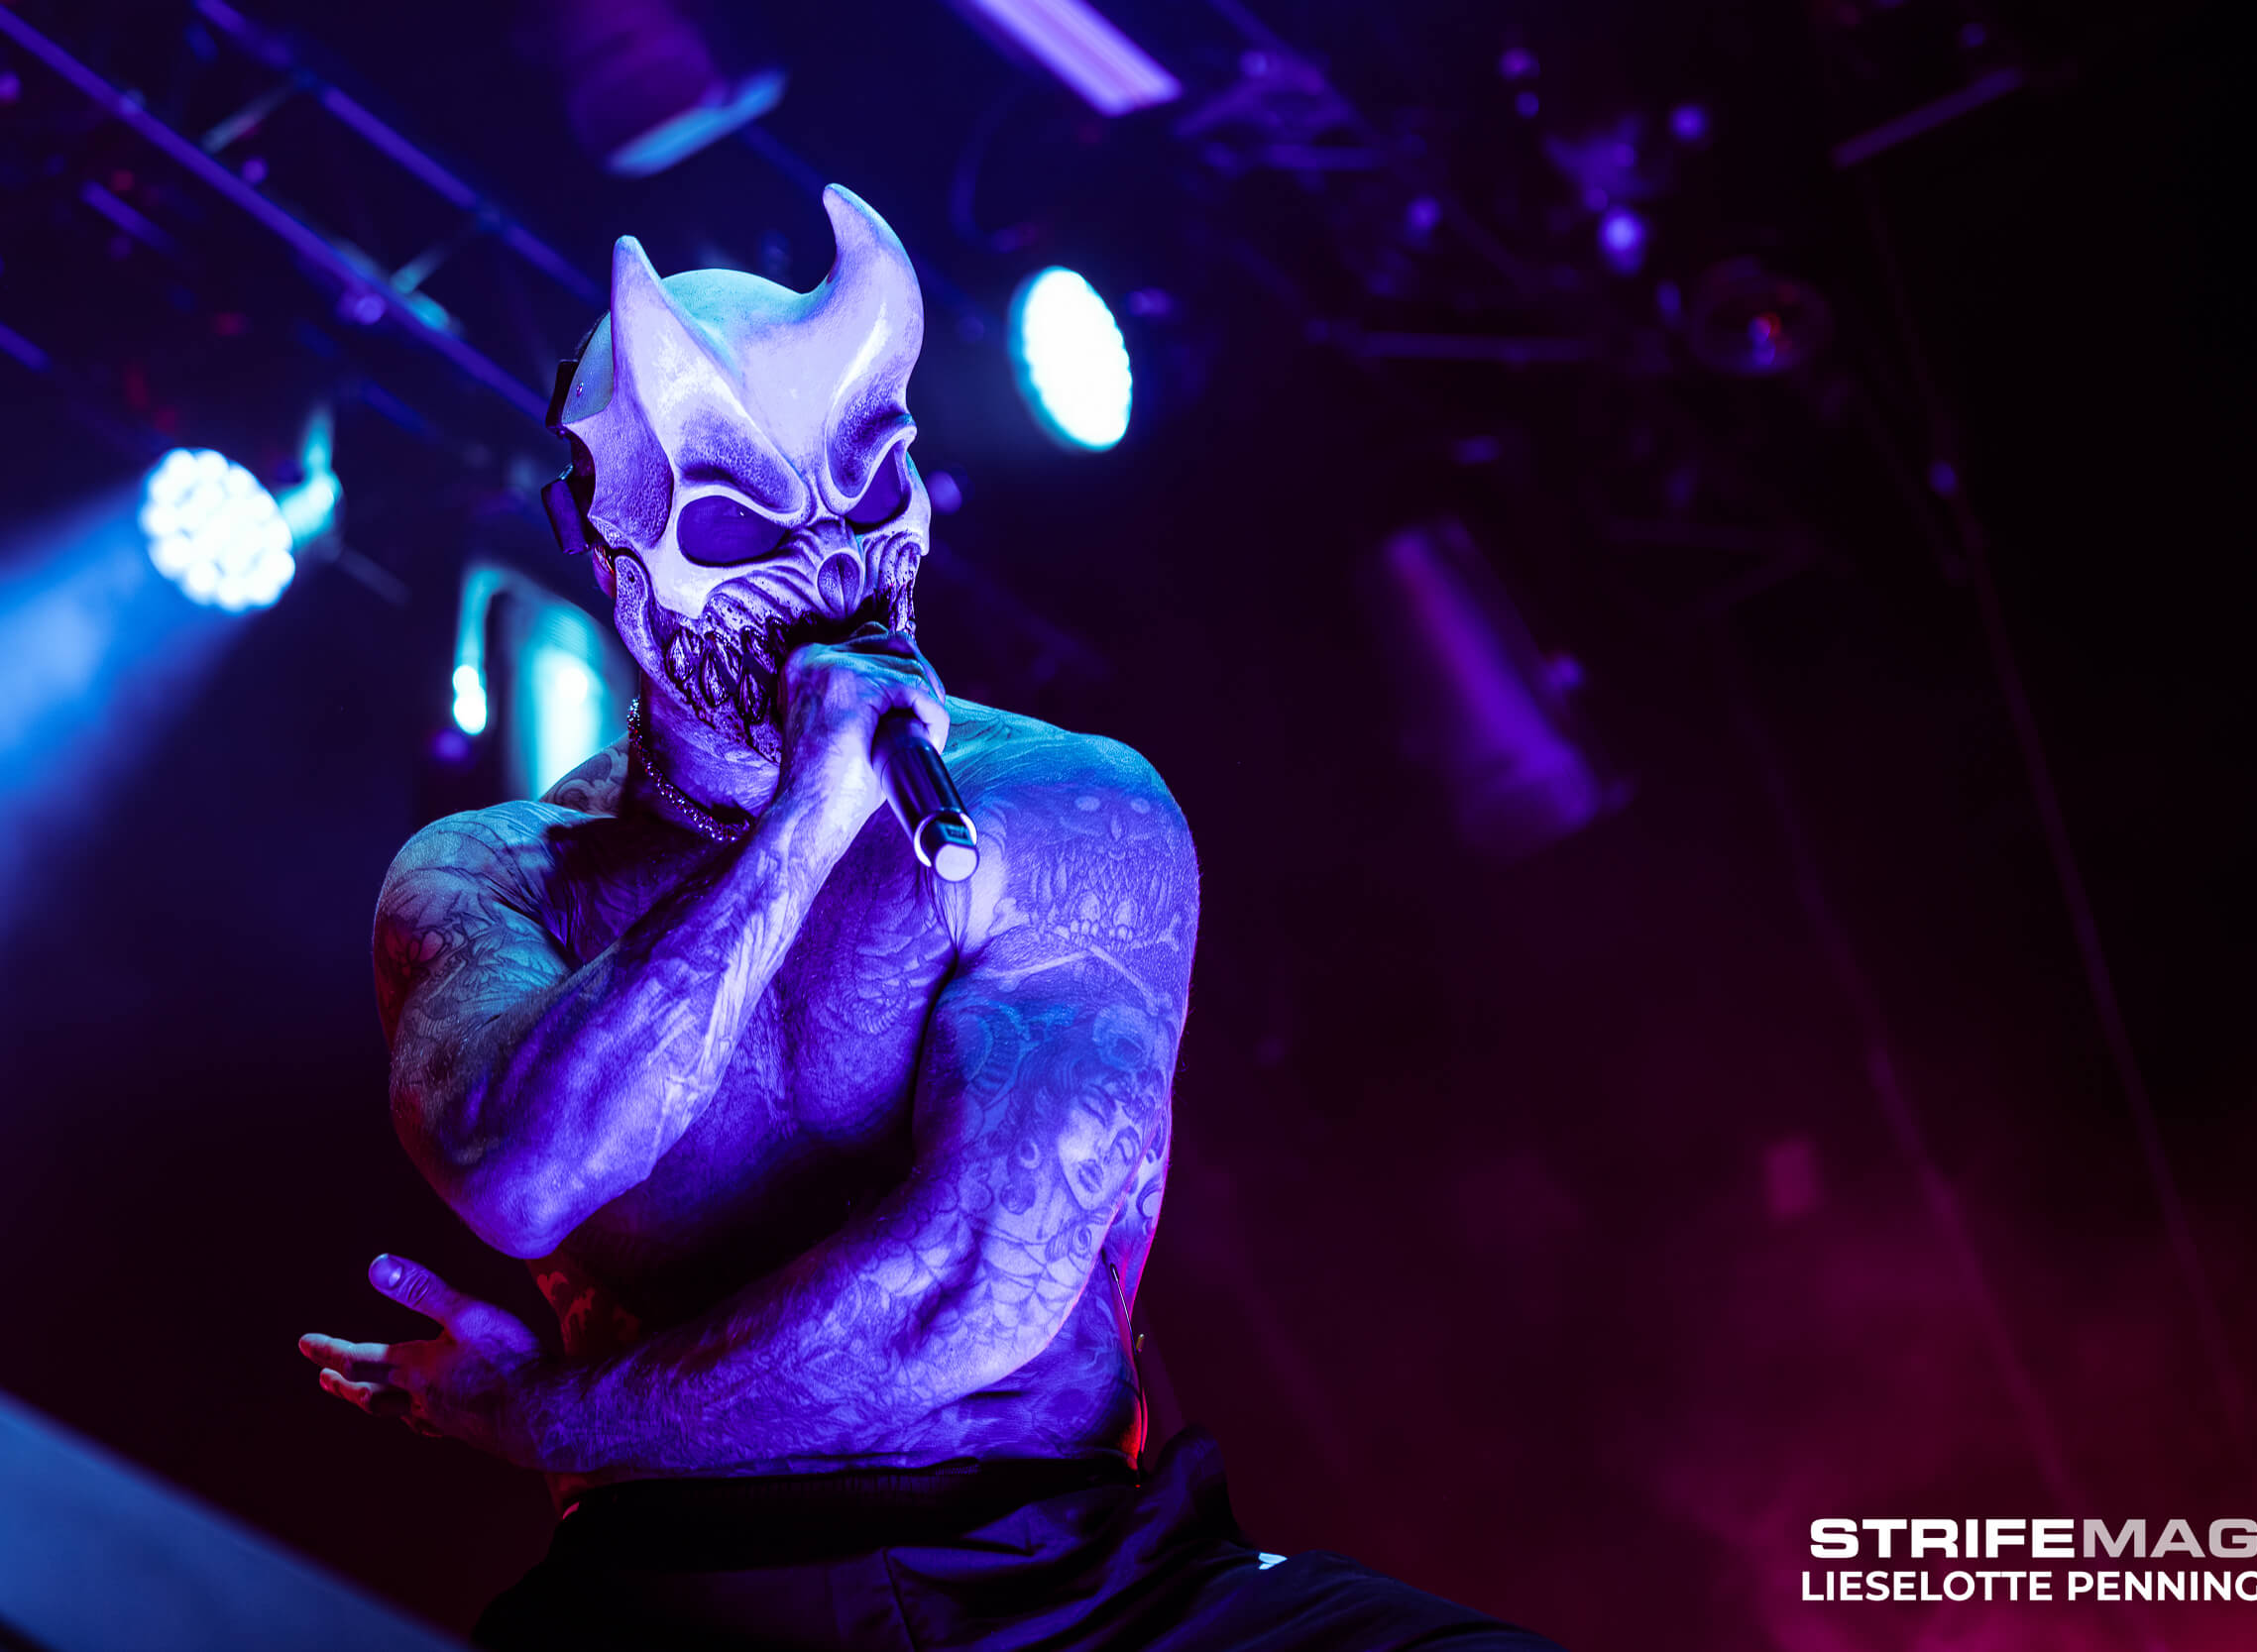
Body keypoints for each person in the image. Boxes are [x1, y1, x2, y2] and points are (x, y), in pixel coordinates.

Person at [297, 185, 1561, 1652]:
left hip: (1068, 1581)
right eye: (739, 521)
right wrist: (803, 822)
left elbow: (971, 1286)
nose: (833, 566)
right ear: (602, 540)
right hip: (680, 1595)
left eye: (868, 491)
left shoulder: (1064, 811)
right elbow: (523, 1174)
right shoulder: (495, 877)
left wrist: (550, 1418)